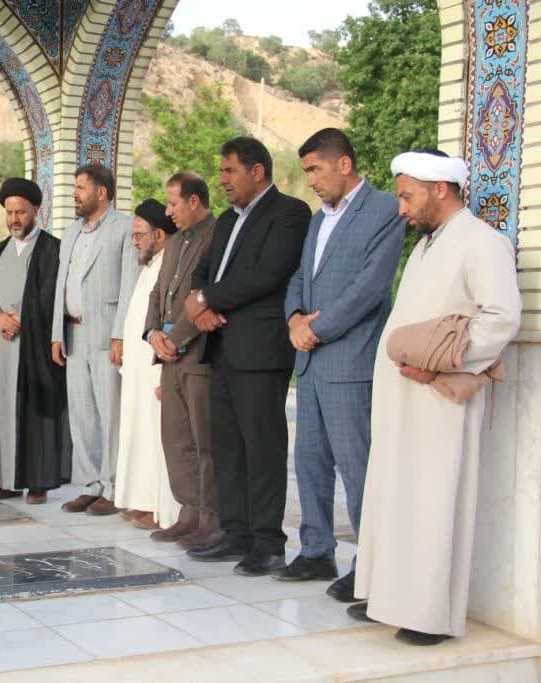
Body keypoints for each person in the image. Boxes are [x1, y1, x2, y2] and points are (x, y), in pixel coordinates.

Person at [349, 150, 521, 645]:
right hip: (404, 399)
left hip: (438, 400)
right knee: (397, 498)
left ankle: (428, 615)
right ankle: (390, 599)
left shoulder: (480, 241)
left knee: (432, 503)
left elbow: (502, 317)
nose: (401, 208)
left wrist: (443, 362)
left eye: (407, 196)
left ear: (440, 189)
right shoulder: (430, 245)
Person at [277, 129, 405, 599]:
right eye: (307, 171)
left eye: (315, 169)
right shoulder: (318, 220)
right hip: (310, 363)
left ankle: (370, 566)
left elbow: (371, 287)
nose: (310, 180)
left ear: (344, 164)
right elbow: (300, 276)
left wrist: (317, 329)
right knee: (310, 462)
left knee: (358, 469)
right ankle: (316, 551)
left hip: (351, 363)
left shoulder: (385, 209)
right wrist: (294, 318)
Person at [184, 137, 311, 575]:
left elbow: (268, 274)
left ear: (257, 172)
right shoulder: (225, 220)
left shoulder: (289, 213)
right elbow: (203, 271)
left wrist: (207, 300)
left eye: (229, 171)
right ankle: (235, 532)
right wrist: (197, 302)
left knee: (262, 449)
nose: (222, 180)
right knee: (228, 448)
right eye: (221, 171)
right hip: (221, 347)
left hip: (260, 350)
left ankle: (268, 543)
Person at [0, 178, 67, 503]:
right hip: (1, 346)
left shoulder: (52, 249)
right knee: (0, 410)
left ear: (36, 210)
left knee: (33, 410)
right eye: (9, 213)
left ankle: (36, 481)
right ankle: (3, 479)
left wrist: (20, 317)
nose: (14, 219)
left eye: (20, 212)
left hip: (33, 346)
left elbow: (52, 293)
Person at [51, 165, 139, 515]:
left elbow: (129, 285)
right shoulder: (71, 231)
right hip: (73, 333)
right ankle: (91, 485)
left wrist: (120, 335)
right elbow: (61, 284)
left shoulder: (124, 228)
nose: (74, 193)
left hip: (106, 336)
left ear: (101, 192)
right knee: (81, 415)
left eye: (81, 187)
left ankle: (114, 487)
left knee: (110, 414)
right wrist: (56, 333)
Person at [144, 173, 219, 549]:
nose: (168, 211)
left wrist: (175, 339)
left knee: (204, 440)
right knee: (175, 438)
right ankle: (187, 512)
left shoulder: (217, 235)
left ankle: (211, 517)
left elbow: (208, 297)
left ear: (194, 201)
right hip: (169, 354)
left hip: (198, 353)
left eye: (173, 204)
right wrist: (152, 334)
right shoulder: (174, 242)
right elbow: (158, 292)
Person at [114, 199, 180, 530]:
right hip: (138, 372)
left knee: (156, 439)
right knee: (138, 435)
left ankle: (158, 508)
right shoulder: (150, 267)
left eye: (139, 235)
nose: (134, 242)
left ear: (160, 235)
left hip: (156, 371)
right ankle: (141, 501)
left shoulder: (170, 267)